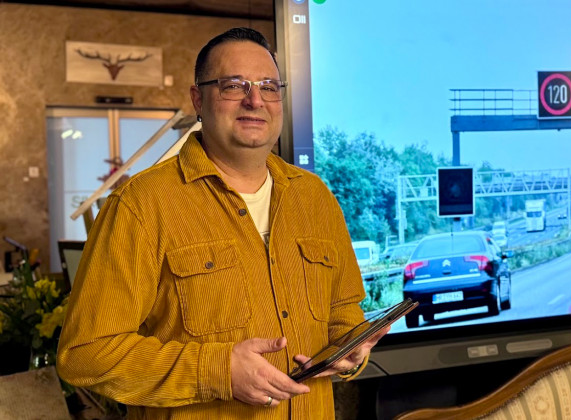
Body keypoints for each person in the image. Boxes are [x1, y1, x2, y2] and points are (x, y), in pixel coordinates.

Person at [57, 27, 386, 419]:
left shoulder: (315, 198)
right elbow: (86, 355)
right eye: (233, 86)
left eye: (268, 87)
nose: (255, 100)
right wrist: (217, 372)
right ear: (198, 99)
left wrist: (351, 350)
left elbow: (344, 314)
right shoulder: (141, 205)